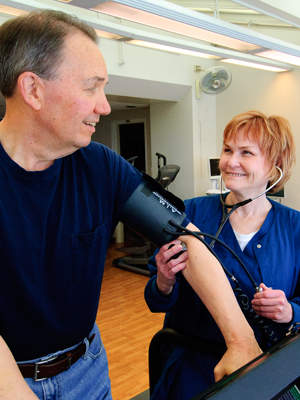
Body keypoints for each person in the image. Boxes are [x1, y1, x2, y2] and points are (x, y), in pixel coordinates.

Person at [0, 10, 262, 399]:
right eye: (91, 88)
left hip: (85, 370)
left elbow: (186, 239)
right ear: (33, 89)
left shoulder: (100, 166)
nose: (104, 107)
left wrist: (240, 340)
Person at [145, 110, 300, 400]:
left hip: (263, 370)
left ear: (274, 166)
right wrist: (164, 281)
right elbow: (155, 299)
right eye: (227, 150)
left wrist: (289, 310)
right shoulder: (188, 214)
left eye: (246, 152)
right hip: (193, 370)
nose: (230, 162)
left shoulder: (295, 227)